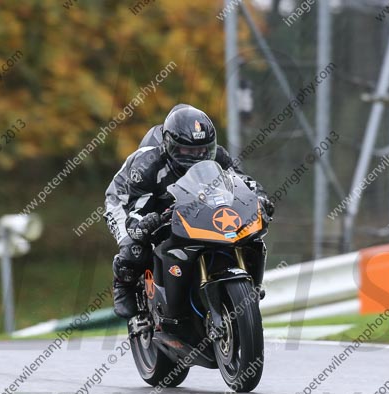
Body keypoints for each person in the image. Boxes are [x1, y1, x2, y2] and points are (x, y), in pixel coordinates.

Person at [104, 105, 273, 318]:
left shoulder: (219, 156)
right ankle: (123, 283)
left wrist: (260, 198)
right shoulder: (147, 165)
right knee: (136, 242)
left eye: (202, 150)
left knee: (246, 236)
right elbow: (135, 206)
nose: (196, 156)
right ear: (169, 145)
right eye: (187, 151)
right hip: (127, 199)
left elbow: (242, 182)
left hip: (184, 200)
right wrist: (141, 223)